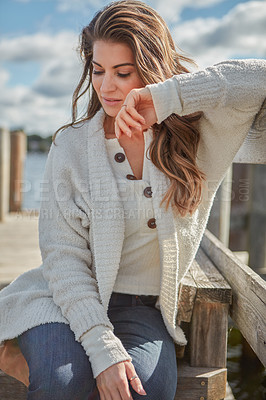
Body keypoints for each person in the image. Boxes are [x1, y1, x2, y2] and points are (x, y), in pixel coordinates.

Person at [0, 1, 265, 399]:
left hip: (142, 308)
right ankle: (15, 351)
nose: (106, 87)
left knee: (144, 391)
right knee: (63, 385)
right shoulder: (71, 146)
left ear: (152, 70)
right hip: (63, 298)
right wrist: (102, 348)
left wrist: (169, 96)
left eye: (123, 73)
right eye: (98, 70)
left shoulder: (198, 138)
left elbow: (256, 78)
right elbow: (63, 257)